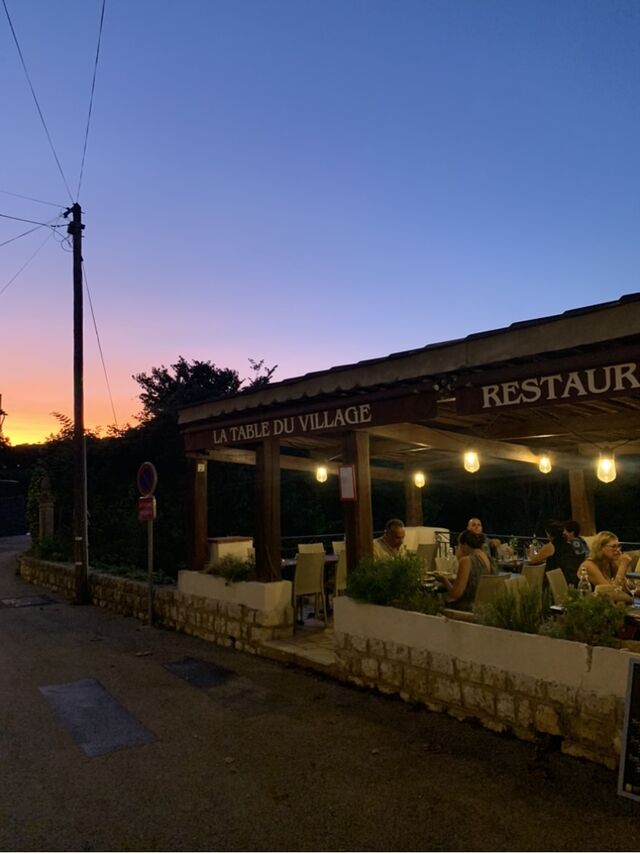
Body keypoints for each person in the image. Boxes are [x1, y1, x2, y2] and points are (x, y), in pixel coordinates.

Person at [436, 529, 491, 610]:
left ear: (464, 544)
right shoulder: (485, 556)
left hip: (467, 605)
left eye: (459, 545)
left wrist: (444, 580)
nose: (459, 548)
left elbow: (455, 594)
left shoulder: (466, 561)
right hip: (482, 604)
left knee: (434, 600)